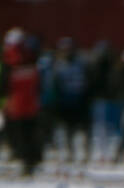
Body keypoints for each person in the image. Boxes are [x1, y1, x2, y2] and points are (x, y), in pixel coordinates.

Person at [1, 29, 43, 175]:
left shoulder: (9, 61)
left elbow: (5, 85)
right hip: (31, 103)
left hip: (16, 104)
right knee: (30, 132)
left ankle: (26, 161)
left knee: (19, 134)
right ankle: (32, 160)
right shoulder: (32, 58)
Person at [53, 37, 92, 162]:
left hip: (80, 100)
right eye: (64, 50)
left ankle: (86, 153)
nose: (67, 52)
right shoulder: (59, 65)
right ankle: (70, 152)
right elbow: (56, 84)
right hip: (66, 101)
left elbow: (88, 81)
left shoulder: (81, 64)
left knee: (84, 129)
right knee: (68, 130)